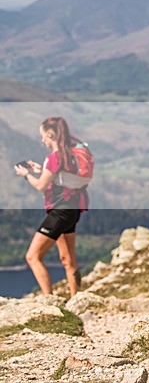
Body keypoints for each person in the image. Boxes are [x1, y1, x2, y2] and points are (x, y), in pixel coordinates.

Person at [14, 117, 88, 298]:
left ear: (50, 134)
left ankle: (49, 299)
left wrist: (26, 175)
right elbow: (61, 180)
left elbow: (41, 186)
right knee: (68, 259)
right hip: (73, 210)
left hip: (59, 212)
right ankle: (76, 298)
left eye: (43, 136)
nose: (42, 140)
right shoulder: (70, 155)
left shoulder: (54, 157)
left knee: (32, 256)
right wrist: (41, 171)